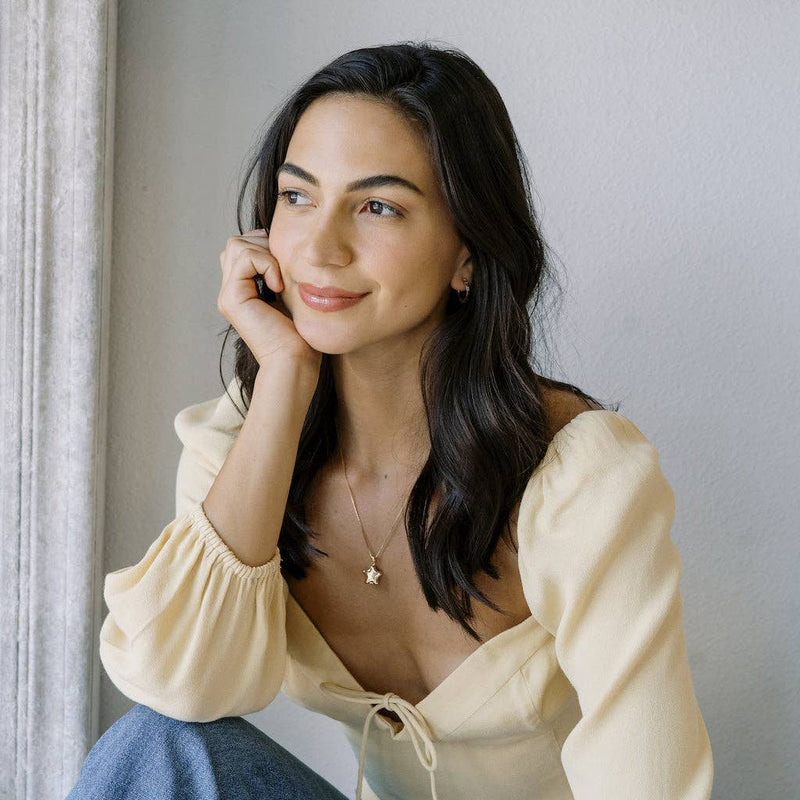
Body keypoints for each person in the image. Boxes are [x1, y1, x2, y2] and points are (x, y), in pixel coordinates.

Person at [68, 41, 713, 800]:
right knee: (162, 745)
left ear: (466, 252)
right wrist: (283, 380)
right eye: (297, 197)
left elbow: (648, 786)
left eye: (377, 206)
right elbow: (184, 689)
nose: (319, 247)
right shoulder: (243, 442)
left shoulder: (580, 478)